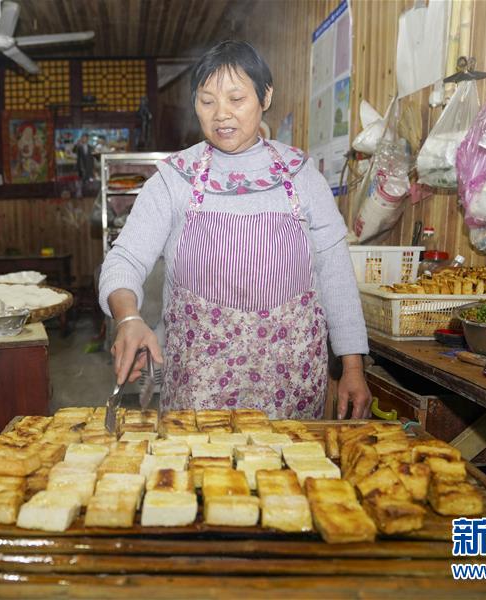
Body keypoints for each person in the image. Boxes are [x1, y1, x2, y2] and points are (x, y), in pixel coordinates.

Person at [99, 41, 371, 420]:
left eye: (236, 98)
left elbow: (336, 272)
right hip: (198, 396)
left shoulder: (301, 175)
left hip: (290, 393)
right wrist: (128, 317)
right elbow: (124, 259)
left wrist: (353, 368)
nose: (221, 114)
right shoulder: (175, 179)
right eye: (207, 101)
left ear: (265, 96)